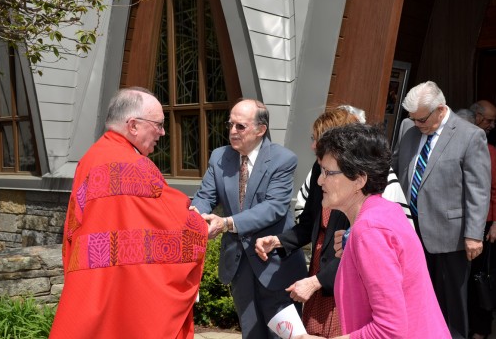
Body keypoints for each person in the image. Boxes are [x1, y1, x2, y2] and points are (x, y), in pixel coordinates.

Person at [49, 87, 208, 338]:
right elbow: (173, 220)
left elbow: (74, 226)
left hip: (93, 282)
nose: (162, 133)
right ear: (133, 125)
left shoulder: (91, 158)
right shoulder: (134, 166)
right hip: (123, 286)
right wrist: (204, 225)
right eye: (158, 124)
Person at [255, 105, 412, 337]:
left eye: (317, 139)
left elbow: (363, 254)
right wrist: (279, 241)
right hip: (324, 266)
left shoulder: (372, 209)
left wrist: (317, 281)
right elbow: (309, 223)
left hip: (341, 276)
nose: (312, 145)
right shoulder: (324, 171)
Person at [297, 123, 450, 339]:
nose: (320, 180)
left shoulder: (370, 231)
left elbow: (389, 330)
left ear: (359, 179)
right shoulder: (383, 212)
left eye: (328, 172)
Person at [191, 99, 307, 339]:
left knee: (286, 337)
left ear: (261, 129)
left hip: (276, 267)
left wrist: (226, 223)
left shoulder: (283, 159)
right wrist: (198, 217)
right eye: (230, 124)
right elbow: (205, 196)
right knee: (251, 334)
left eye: (240, 126)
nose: (232, 131)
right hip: (239, 267)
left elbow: (274, 207)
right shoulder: (219, 157)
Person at [392, 81, 491, 339]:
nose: (417, 124)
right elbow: (394, 165)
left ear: (441, 109)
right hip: (408, 231)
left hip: (450, 236)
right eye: (413, 119)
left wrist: (474, 235)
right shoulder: (409, 128)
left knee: (449, 303)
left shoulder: (470, 135)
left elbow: (478, 190)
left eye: (422, 119)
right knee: (412, 296)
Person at [462, 102, 496, 339]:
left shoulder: (489, 151)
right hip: (454, 227)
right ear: (477, 118)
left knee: (479, 280)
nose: (492, 126)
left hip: (482, 227)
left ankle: (480, 329)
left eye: (494, 121)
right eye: (489, 120)